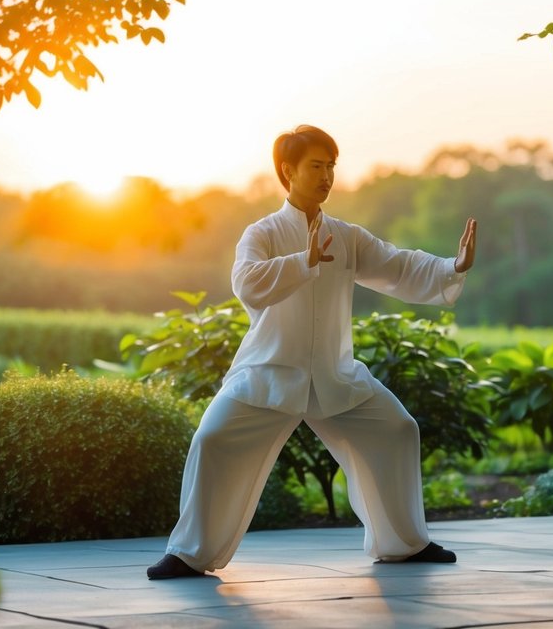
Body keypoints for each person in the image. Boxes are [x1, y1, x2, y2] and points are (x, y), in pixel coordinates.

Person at [148, 124, 478, 579]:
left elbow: (395, 264)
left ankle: (404, 544)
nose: (327, 176)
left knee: (398, 430)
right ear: (288, 171)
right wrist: (303, 262)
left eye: (332, 167)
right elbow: (247, 283)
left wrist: (451, 266)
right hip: (268, 372)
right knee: (212, 439)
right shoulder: (260, 233)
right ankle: (187, 554)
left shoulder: (345, 236)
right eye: (316, 166)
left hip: (334, 377)